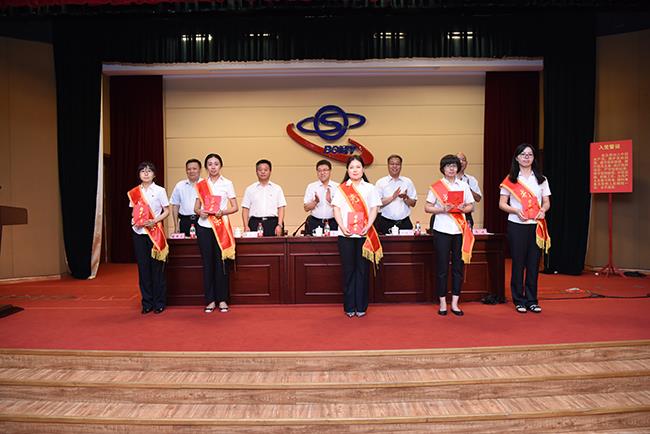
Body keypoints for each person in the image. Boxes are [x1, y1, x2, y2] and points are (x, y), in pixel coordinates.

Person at [499, 144, 551, 314]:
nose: (526, 157)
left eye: (530, 154)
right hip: (517, 225)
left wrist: (543, 210)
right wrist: (515, 211)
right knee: (518, 263)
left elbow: (546, 202)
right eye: (523, 154)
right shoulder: (511, 179)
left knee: (533, 263)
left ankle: (532, 300)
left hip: (536, 225)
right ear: (517, 158)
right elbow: (502, 204)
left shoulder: (541, 179)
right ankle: (519, 300)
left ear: (534, 158)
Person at [332, 155, 382, 318]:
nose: (355, 170)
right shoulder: (341, 189)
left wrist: (368, 226)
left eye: (358, 167)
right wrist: (342, 226)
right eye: (352, 167)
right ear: (347, 170)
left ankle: (361, 306)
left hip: (364, 235)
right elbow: (336, 209)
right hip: (345, 234)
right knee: (348, 271)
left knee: (362, 271)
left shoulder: (370, 188)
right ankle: (349, 306)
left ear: (363, 169)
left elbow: (374, 208)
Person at [425, 154, 475, 317]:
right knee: (442, 267)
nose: (451, 169)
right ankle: (442, 302)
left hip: (459, 230)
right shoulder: (436, 186)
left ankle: (455, 303)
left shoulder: (464, 185)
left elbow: (471, 206)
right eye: (448, 166)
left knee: (458, 267)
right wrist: (442, 209)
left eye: (454, 166)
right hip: (442, 230)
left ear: (458, 168)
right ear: (443, 169)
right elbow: (427, 207)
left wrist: (463, 208)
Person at [194, 153, 238, 314]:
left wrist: (222, 212)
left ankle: (223, 299)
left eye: (216, 164)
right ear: (206, 167)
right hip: (204, 226)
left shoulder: (227, 183)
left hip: (220, 227)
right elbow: (196, 207)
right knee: (208, 264)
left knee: (221, 264)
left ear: (220, 166)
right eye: (210, 164)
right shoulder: (200, 184)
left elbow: (235, 207)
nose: (213, 167)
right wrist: (200, 212)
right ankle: (210, 300)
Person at [127, 161, 170, 315]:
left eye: (149, 171)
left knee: (156, 268)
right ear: (139, 174)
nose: (146, 173)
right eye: (143, 171)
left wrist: (155, 220)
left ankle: (159, 302)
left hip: (154, 232)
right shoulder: (134, 192)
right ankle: (147, 302)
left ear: (154, 174)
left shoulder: (160, 191)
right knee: (143, 268)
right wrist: (135, 222)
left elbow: (166, 210)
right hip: (139, 233)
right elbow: (134, 211)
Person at [241, 159, 287, 236]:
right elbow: (245, 209)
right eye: (260, 170)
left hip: (273, 223)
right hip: (254, 222)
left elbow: (281, 208)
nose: (263, 172)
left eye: (265, 170)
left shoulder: (277, 188)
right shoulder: (250, 189)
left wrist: (279, 225)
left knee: (274, 244)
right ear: (256, 172)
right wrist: (246, 226)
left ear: (270, 171)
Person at [374, 154, 417, 235]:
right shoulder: (380, 182)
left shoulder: (407, 182)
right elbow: (377, 203)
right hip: (385, 222)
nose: (394, 166)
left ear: (401, 166)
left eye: (397, 164)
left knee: (407, 243)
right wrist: (393, 197)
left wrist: (406, 198)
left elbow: (413, 203)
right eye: (392, 164)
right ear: (388, 165)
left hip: (404, 222)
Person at [303, 159, 339, 235]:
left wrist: (331, 201)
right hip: (315, 222)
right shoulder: (311, 187)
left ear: (330, 171)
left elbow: (342, 208)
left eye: (325, 170)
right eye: (319, 170)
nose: (322, 173)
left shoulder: (337, 187)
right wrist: (315, 201)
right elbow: (306, 208)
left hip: (333, 222)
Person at [169, 158, 202, 236]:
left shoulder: (205, 184)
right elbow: (175, 206)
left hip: (202, 220)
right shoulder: (180, 185)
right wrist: (176, 225)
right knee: (185, 243)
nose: (191, 171)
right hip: (184, 221)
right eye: (189, 169)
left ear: (200, 170)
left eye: (194, 169)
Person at [456, 152, 482, 228]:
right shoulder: (448, 179)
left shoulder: (471, 179)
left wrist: (468, 189)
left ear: (466, 163)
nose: (461, 162)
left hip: (467, 215)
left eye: (463, 160)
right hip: (451, 214)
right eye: (458, 159)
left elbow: (478, 198)